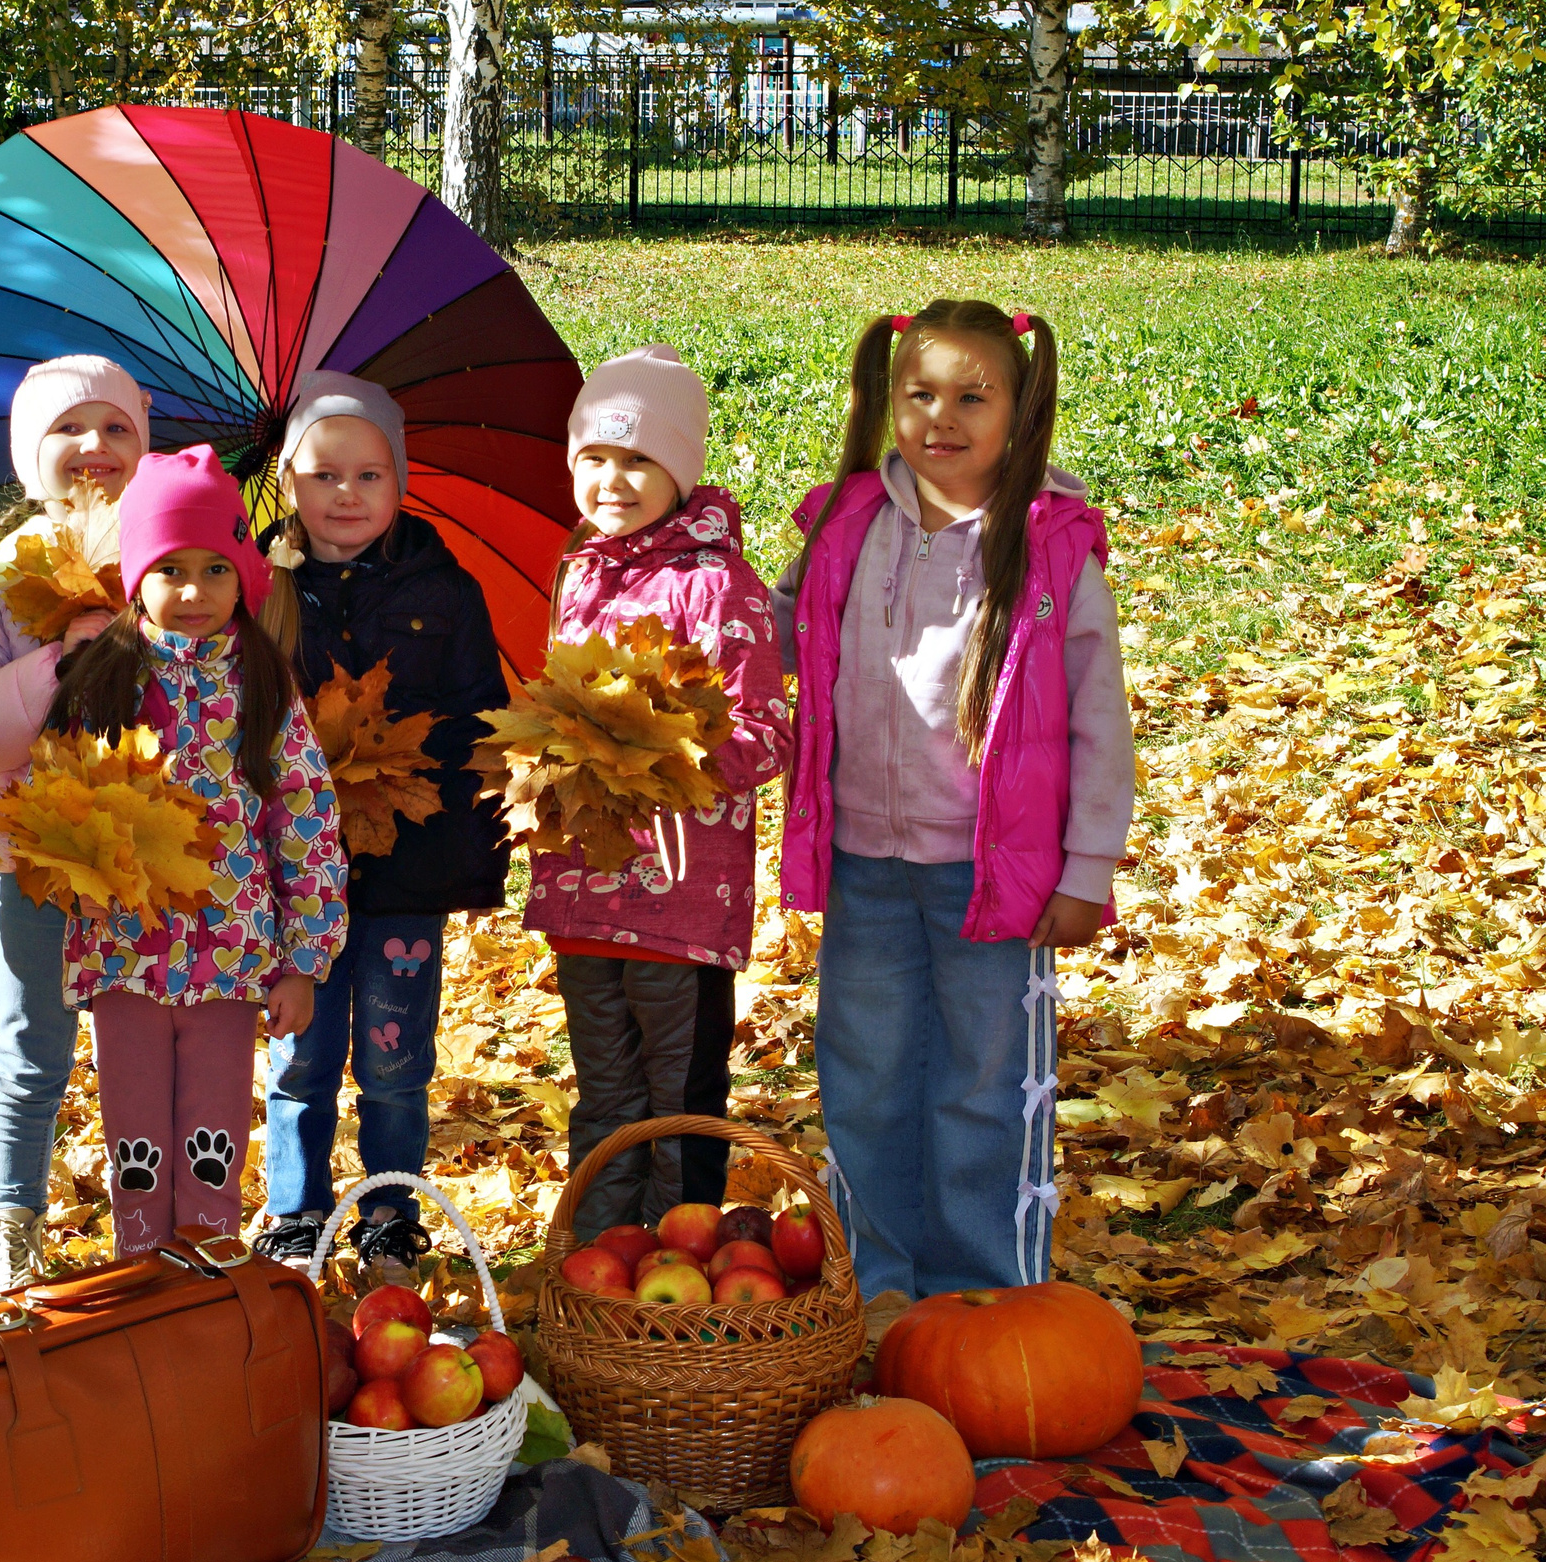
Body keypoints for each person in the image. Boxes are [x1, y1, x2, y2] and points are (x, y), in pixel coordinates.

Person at [774, 300, 1134, 1300]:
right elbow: (776, 634)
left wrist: (1087, 865)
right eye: (919, 393)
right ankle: (879, 1292)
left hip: (997, 873)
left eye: (972, 396)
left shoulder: (1052, 549)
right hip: (865, 860)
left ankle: (985, 1297)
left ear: (1018, 414)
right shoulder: (845, 523)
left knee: (984, 1089)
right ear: (886, 402)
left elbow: (1099, 717)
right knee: (866, 1077)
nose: (942, 417)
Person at [49, 445, 348, 1257]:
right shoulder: (100, 681)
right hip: (125, 954)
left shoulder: (263, 684)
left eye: (216, 568)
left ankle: (207, 1282)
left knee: (212, 1138)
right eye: (169, 568)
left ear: (245, 577)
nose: (192, 591)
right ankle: (143, 1278)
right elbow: (54, 806)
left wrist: (303, 958)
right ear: (135, 576)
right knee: (136, 1143)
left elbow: (306, 820)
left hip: (231, 956)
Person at [528, 346, 791, 1241]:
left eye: (639, 460)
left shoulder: (719, 586)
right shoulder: (577, 574)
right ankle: (599, 1262)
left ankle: (673, 1266)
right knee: (604, 1088)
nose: (613, 479)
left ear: (680, 470)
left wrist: (665, 753)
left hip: (682, 901)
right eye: (594, 458)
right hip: (584, 886)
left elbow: (766, 733)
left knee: (676, 1094)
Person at [252, 372, 510, 1270]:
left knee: (396, 1053)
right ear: (289, 483)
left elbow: (483, 718)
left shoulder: (446, 590)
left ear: (399, 482)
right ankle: (296, 1208)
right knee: (299, 1053)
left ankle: (391, 1206)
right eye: (324, 476)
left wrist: (414, 767)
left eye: (369, 475)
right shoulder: (260, 588)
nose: (346, 495)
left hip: (406, 868)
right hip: (293, 877)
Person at [0, 356, 152, 1289]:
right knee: (33, 1046)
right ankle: (12, 1224)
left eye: (116, 429)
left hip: (152, 859)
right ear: (31, 458)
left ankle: (156, 1222)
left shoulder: (171, 563)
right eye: (69, 430)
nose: (94, 448)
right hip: (37, 860)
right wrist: (64, 657)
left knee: (147, 1043)